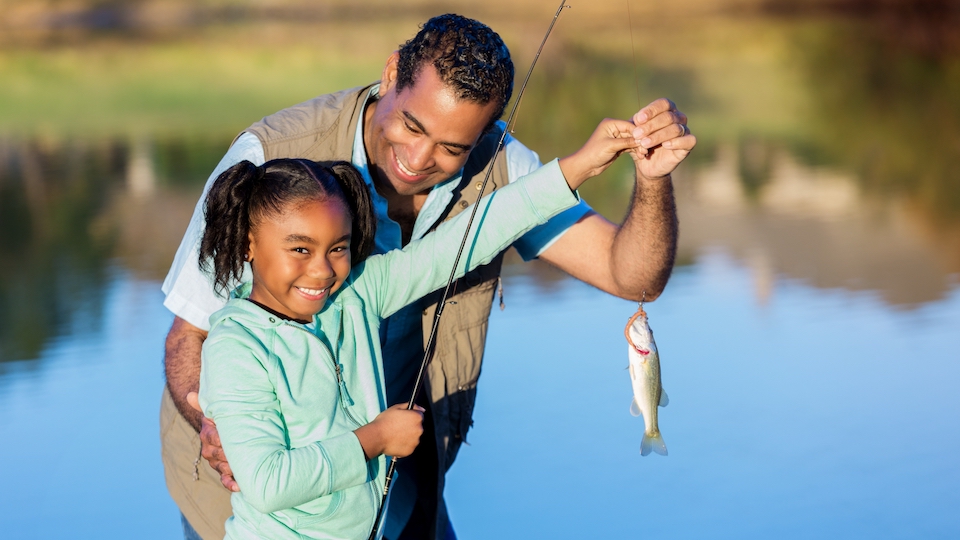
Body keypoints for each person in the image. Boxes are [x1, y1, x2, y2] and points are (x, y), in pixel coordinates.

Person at [160, 13, 695, 540]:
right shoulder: (268, 159)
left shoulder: (361, 285)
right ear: (391, 73)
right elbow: (190, 338)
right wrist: (217, 426)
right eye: (413, 125)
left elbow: (515, 239)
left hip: (388, 489)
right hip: (254, 506)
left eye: (453, 147)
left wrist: (606, 169)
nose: (417, 159)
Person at [192, 119, 641, 538]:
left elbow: (469, 239)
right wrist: (377, 439)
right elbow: (268, 484)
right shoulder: (236, 347)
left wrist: (578, 166)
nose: (322, 272)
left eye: (338, 248)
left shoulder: (358, 292)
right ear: (250, 244)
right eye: (300, 249)